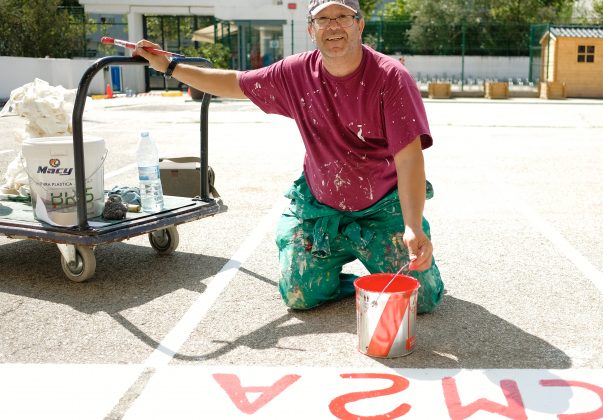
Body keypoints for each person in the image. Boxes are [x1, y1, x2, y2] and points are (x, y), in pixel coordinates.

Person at [132, 0, 444, 313]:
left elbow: (409, 159)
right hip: (320, 209)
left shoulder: (391, 78)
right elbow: (233, 82)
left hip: (382, 208)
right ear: (311, 30)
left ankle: (381, 269)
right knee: (299, 295)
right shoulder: (295, 73)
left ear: (359, 24)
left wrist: (412, 226)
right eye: (323, 18)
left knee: (423, 298)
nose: (333, 25)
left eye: (343, 17)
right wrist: (169, 66)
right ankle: (352, 284)